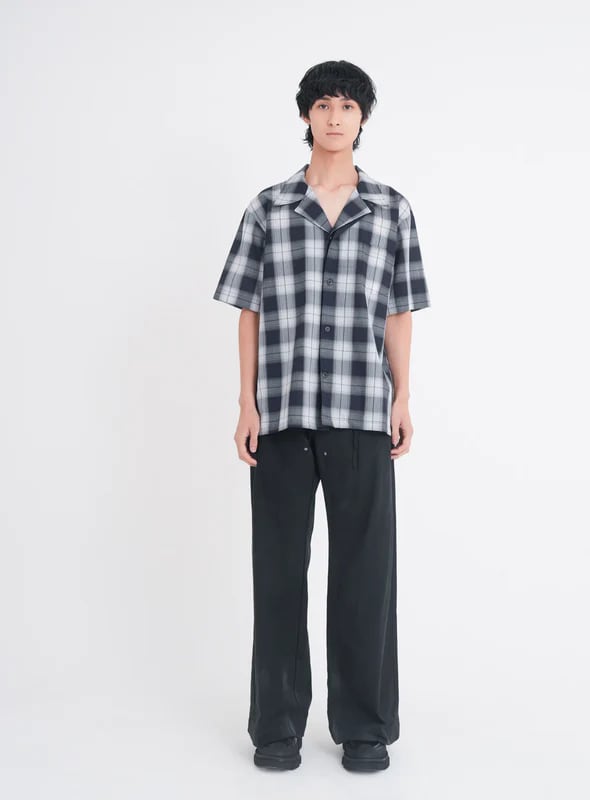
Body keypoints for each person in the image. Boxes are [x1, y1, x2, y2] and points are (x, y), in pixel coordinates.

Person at [212, 60, 431, 772]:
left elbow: (398, 311)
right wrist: (246, 402)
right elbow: (248, 309)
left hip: (362, 412)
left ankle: (365, 727)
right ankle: (276, 726)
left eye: (348, 106)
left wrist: (403, 396)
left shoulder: (391, 209)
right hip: (281, 412)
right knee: (279, 572)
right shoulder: (269, 207)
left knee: (366, 575)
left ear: (363, 119)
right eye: (324, 105)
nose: (335, 117)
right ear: (306, 115)